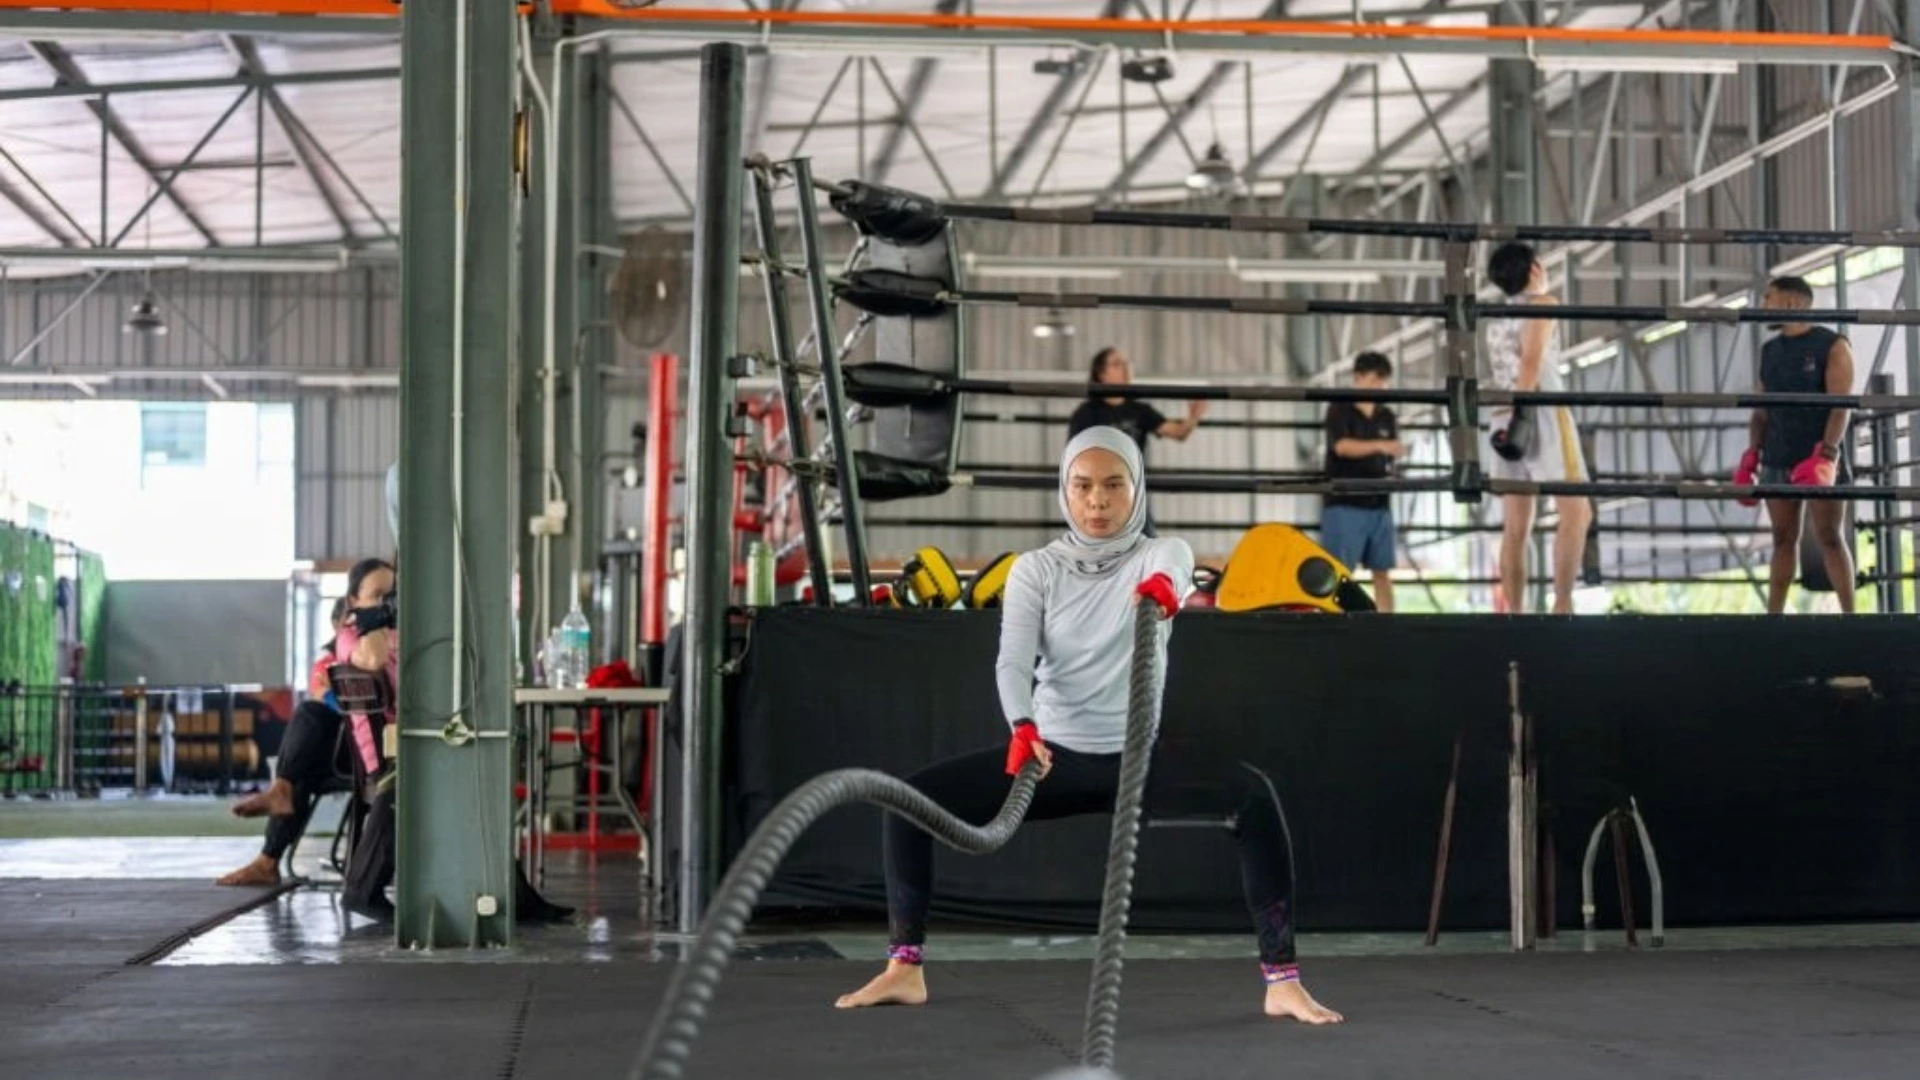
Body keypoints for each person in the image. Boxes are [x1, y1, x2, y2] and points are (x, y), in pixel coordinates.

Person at [834, 426, 1342, 1025]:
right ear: (1064, 491)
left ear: (1137, 489)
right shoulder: (1036, 570)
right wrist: (1021, 725)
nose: (1097, 501)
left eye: (1113, 485)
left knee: (1254, 800)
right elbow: (1013, 661)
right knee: (907, 803)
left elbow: (1176, 565)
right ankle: (905, 967)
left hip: (1138, 760)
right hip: (1053, 760)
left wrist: (1162, 591)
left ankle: (1282, 981)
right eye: (1082, 486)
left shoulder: (1160, 554)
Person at [217, 566, 391, 889]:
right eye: (377, 596)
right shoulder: (337, 651)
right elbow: (325, 692)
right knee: (311, 725)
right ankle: (269, 852)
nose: (385, 604)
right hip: (352, 749)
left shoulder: (387, 643)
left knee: (305, 746)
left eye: (390, 596)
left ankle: (269, 852)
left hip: (363, 749)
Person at [1483, 242, 1594, 615]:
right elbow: (1531, 363)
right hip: (1537, 409)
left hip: (1501, 413)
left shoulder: (1496, 318)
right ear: (1533, 268)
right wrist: (1523, 413)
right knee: (1576, 511)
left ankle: (1516, 613)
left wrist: (1511, 417)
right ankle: (1562, 606)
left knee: (1516, 525)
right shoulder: (1543, 304)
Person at [1733, 275, 1856, 614]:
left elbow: (1841, 404)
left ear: (1790, 303)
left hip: (1819, 454)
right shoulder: (1770, 351)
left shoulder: (1832, 345)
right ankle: (1774, 622)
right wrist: (1751, 456)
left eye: (1767, 297)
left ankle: (1851, 619)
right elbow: (1761, 410)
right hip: (1778, 455)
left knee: (1830, 536)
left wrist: (1827, 455)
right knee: (1782, 539)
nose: (1762, 305)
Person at [1321, 351, 1404, 612]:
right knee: (1339, 573)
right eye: (1375, 378)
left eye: (1383, 380)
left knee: (1382, 571)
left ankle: (1387, 629)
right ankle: (1336, 630)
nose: (1380, 385)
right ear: (1358, 377)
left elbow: (1394, 451)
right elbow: (1342, 447)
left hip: (1379, 503)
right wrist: (1383, 445)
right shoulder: (1339, 408)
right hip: (1345, 502)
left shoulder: (1386, 415)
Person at [1067, 347, 1209, 458]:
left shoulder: (1140, 410)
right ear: (1101, 373)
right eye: (1117, 364)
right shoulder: (1086, 413)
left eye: (1127, 363)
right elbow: (1076, 457)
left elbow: (1179, 433)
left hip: (1131, 487)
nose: (1125, 368)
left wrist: (1194, 416)